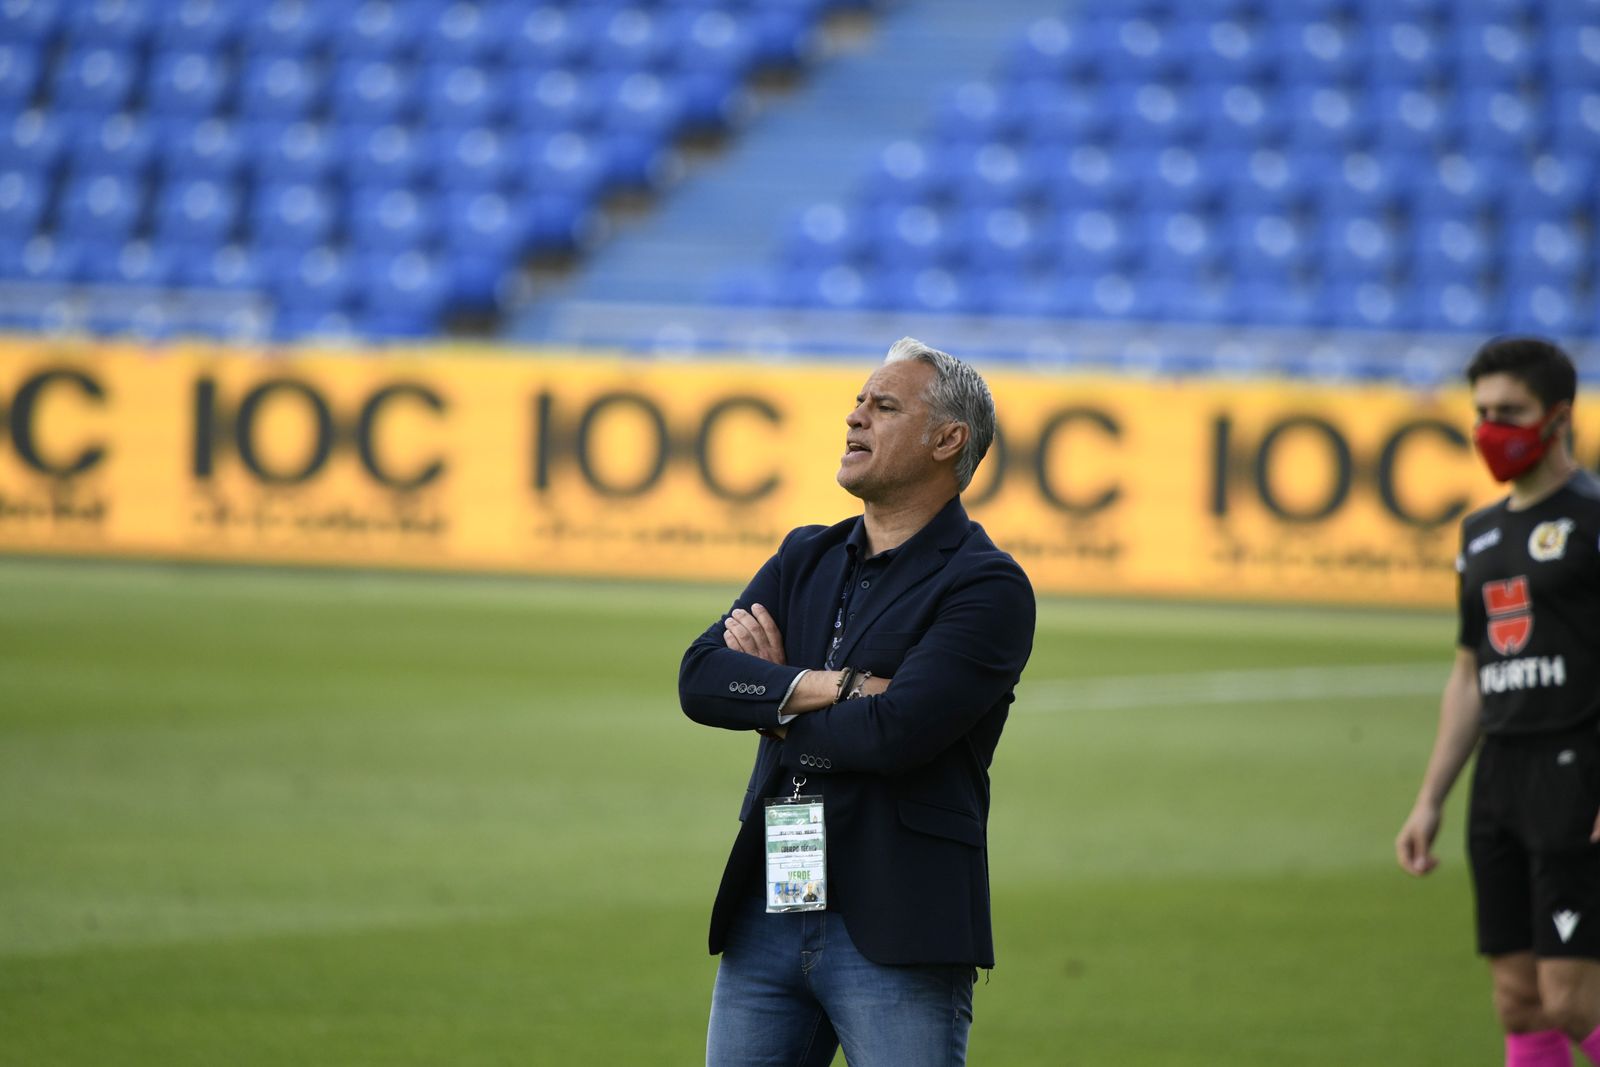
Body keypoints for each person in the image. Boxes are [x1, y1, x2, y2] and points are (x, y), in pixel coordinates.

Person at [679, 337, 1035, 1067]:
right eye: (858, 402)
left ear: (947, 440)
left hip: (899, 921)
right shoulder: (803, 554)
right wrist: (832, 687)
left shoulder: (987, 585)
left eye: (885, 406)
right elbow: (702, 678)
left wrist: (775, 700)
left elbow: (895, 733)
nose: (855, 418)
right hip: (773, 903)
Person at [1396, 336, 1600, 1067]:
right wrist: (1430, 799)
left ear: (1558, 417)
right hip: (1499, 782)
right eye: (1481, 412)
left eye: (1509, 412)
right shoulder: (1479, 533)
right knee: (1519, 1000)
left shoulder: (1592, 520)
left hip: (1577, 773)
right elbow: (1469, 675)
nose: (1490, 429)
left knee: (1573, 999)